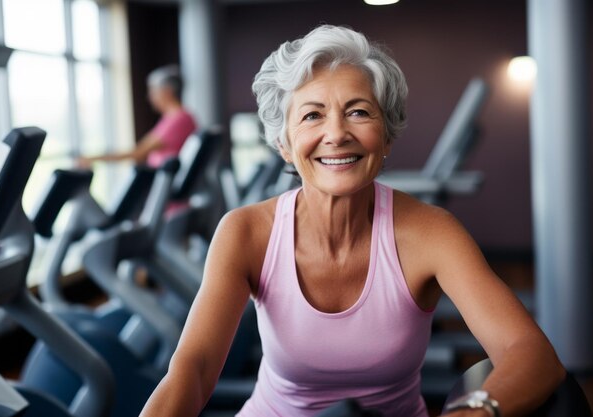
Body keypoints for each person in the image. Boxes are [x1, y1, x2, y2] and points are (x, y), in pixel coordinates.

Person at [139, 25, 565, 417]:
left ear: (386, 136)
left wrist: (472, 412)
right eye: (312, 115)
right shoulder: (246, 232)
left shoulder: (430, 233)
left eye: (359, 112)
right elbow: (192, 370)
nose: (337, 133)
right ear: (285, 144)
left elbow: (529, 352)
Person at [78, 65, 197, 168]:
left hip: (166, 187)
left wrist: (94, 158)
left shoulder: (179, 119)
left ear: (167, 91)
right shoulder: (174, 118)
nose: (150, 97)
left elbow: (138, 152)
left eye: (154, 91)